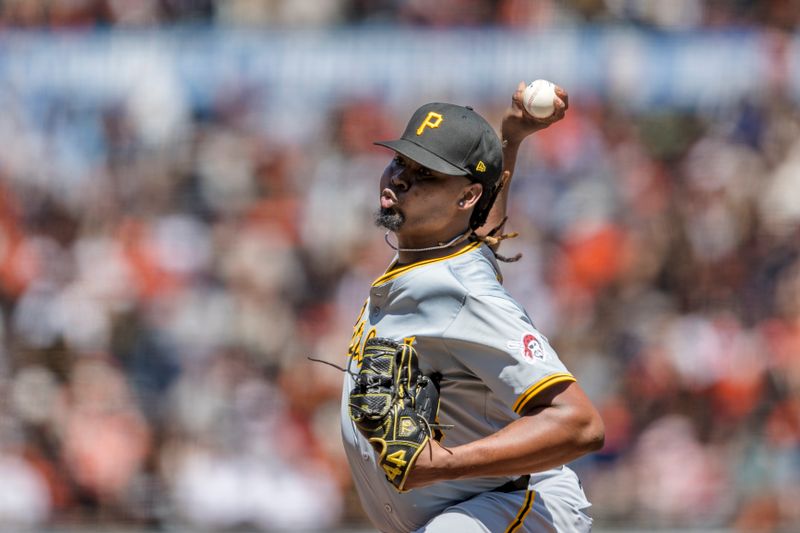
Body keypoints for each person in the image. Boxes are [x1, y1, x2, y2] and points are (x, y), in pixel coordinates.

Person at [340, 82, 605, 533]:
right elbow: (482, 232)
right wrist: (510, 138)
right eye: (400, 161)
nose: (400, 178)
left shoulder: (462, 290)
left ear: (465, 198)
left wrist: (443, 464)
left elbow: (579, 424)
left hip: (513, 506)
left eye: (426, 174)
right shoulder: (433, 251)